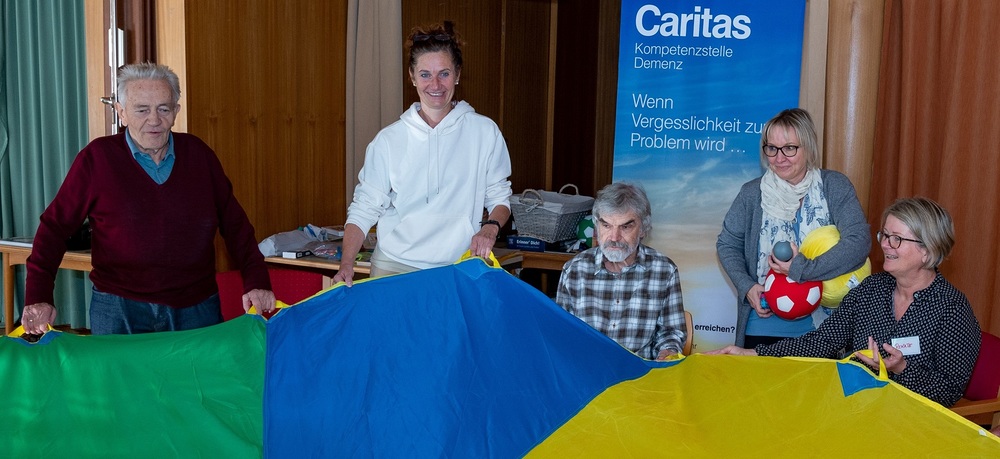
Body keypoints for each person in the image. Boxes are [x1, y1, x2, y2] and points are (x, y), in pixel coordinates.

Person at [20, 62, 275, 335]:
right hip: (118, 309)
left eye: (163, 109)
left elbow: (236, 227)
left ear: (176, 111)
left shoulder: (200, 156)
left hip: (196, 308)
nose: (154, 120)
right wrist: (39, 295)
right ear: (121, 112)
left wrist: (257, 280)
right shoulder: (97, 159)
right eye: (142, 109)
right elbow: (54, 228)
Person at [708, 197, 981, 407]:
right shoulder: (871, 290)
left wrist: (901, 369)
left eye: (897, 239)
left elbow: (949, 391)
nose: (885, 245)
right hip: (859, 410)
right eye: (885, 235)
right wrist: (753, 354)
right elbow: (821, 342)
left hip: (914, 424)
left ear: (927, 251)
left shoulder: (952, 309)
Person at [333, 21, 512, 285]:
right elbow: (364, 209)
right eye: (425, 74)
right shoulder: (388, 140)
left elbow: (500, 197)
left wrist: (490, 228)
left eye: (444, 73)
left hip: (457, 267)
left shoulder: (484, 132)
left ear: (458, 74)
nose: (435, 84)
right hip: (393, 267)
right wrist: (346, 264)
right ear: (412, 77)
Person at [717, 108, 871, 349]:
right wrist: (747, 286)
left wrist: (801, 269)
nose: (779, 158)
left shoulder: (834, 186)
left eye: (789, 148)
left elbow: (859, 241)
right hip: (763, 323)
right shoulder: (751, 194)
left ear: (808, 147)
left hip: (825, 329)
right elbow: (727, 244)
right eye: (772, 148)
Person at [555, 182, 686, 360]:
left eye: (625, 227)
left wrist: (667, 351)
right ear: (596, 226)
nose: (614, 237)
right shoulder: (574, 270)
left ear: (643, 229)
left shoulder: (664, 271)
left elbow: (670, 332)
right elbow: (561, 332)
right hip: (588, 369)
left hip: (639, 372)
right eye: (606, 226)